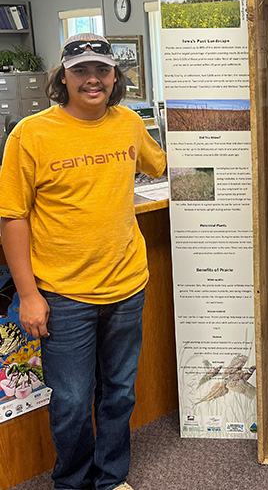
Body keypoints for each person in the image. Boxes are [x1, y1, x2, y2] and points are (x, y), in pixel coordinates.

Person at [0, 33, 166, 490]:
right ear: (63, 76)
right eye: (81, 71)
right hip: (63, 294)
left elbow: (159, 165)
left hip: (127, 284)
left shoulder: (129, 123)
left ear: (115, 77)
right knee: (72, 400)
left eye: (102, 71)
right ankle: (72, 483)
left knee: (119, 393)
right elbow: (12, 217)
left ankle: (111, 479)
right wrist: (29, 295)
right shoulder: (31, 134)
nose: (92, 79)